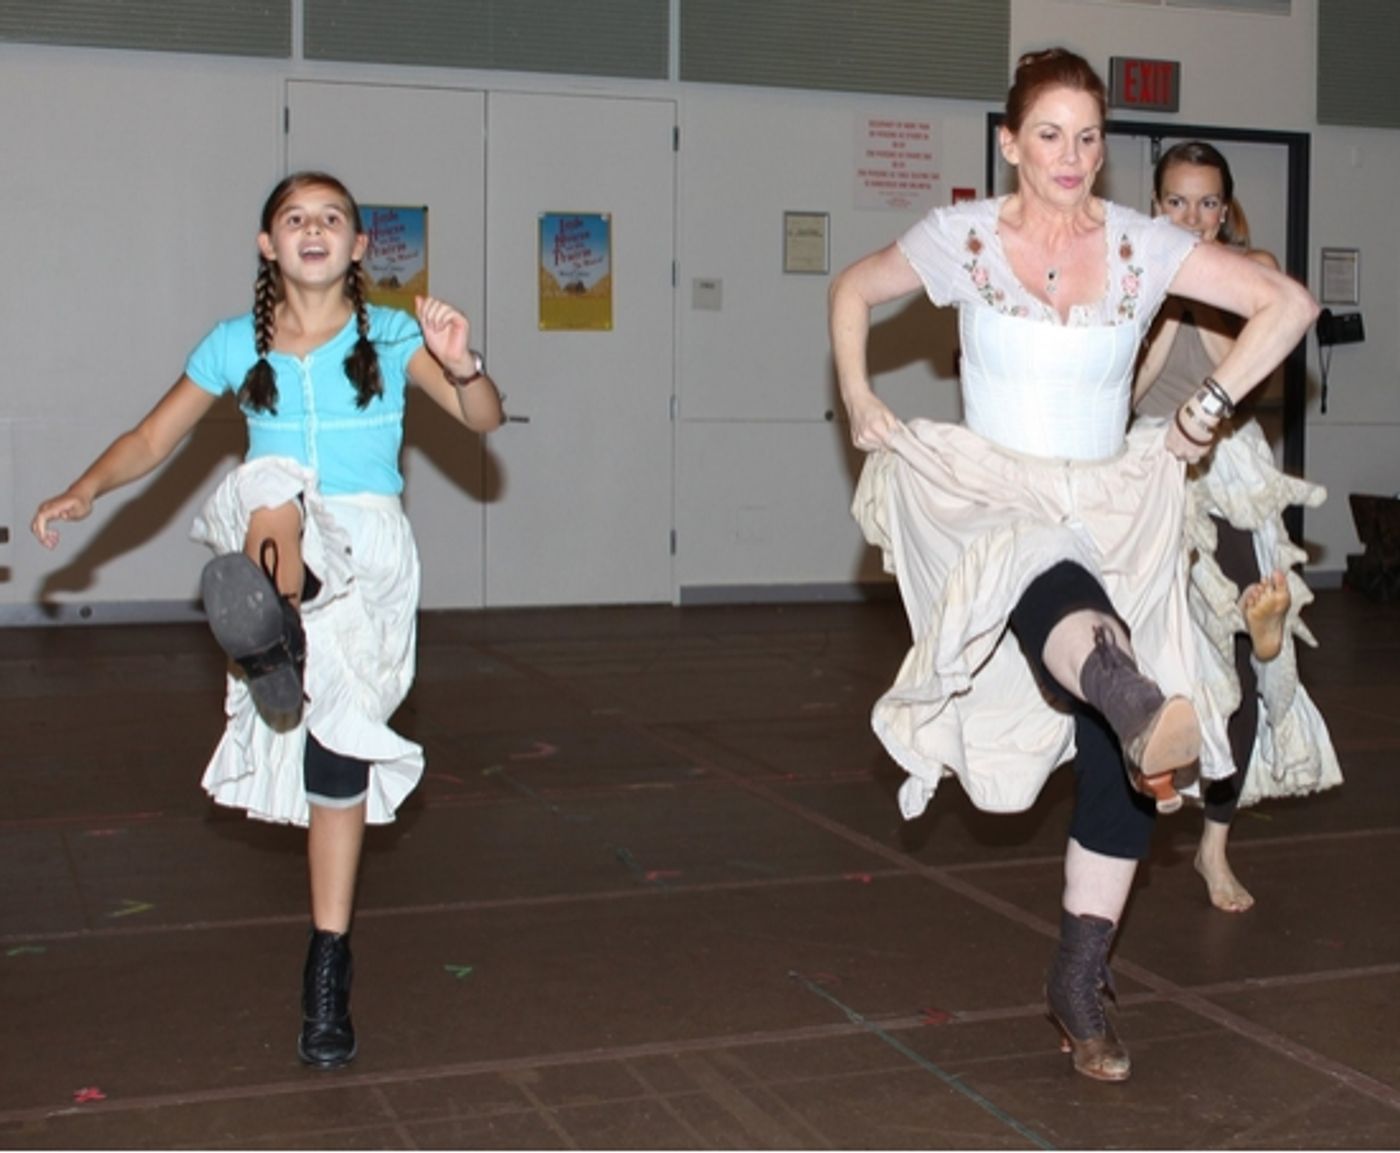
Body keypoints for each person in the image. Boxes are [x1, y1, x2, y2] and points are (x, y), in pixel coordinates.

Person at [831, 49, 1317, 1082]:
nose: (1070, 155)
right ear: (1010, 143)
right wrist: (858, 392)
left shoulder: (1139, 245)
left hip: (1110, 502)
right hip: (992, 496)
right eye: (1048, 135)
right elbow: (854, 287)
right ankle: (1130, 695)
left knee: (1116, 771)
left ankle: (1078, 975)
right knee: (1048, 574)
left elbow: (1288, 305)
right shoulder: (964, 237)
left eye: (1088, 137)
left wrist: (1208, 405)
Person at [30, 171, 504, 1069]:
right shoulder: (233, 345)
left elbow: (484, 419)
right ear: (267, 244)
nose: (312, 229)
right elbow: (152, 438)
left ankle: (329, 956)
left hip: (367, 556)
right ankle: (276, 629)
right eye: (294, 218)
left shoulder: (393, 334)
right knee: (267, 480)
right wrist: (84, 489)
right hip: (279, 539)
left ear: (358, 246)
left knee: (336, 765)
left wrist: (461, 362)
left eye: (331, 218)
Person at [1135, 141, 1342, 912]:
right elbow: (1135, 390)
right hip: (1153, 462)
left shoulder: (1254, 269)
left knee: (1247, 650)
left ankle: (1215, 846)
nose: (1192, 217)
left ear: (1225, 210)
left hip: (1226, 464)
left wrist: (1196, 293)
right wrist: (1168, 296)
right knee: (1151, 650)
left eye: (1206, 203)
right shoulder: (1136, 273)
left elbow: (1243, 368)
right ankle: (1144, 787)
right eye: (1176, 202)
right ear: (1156, 205)